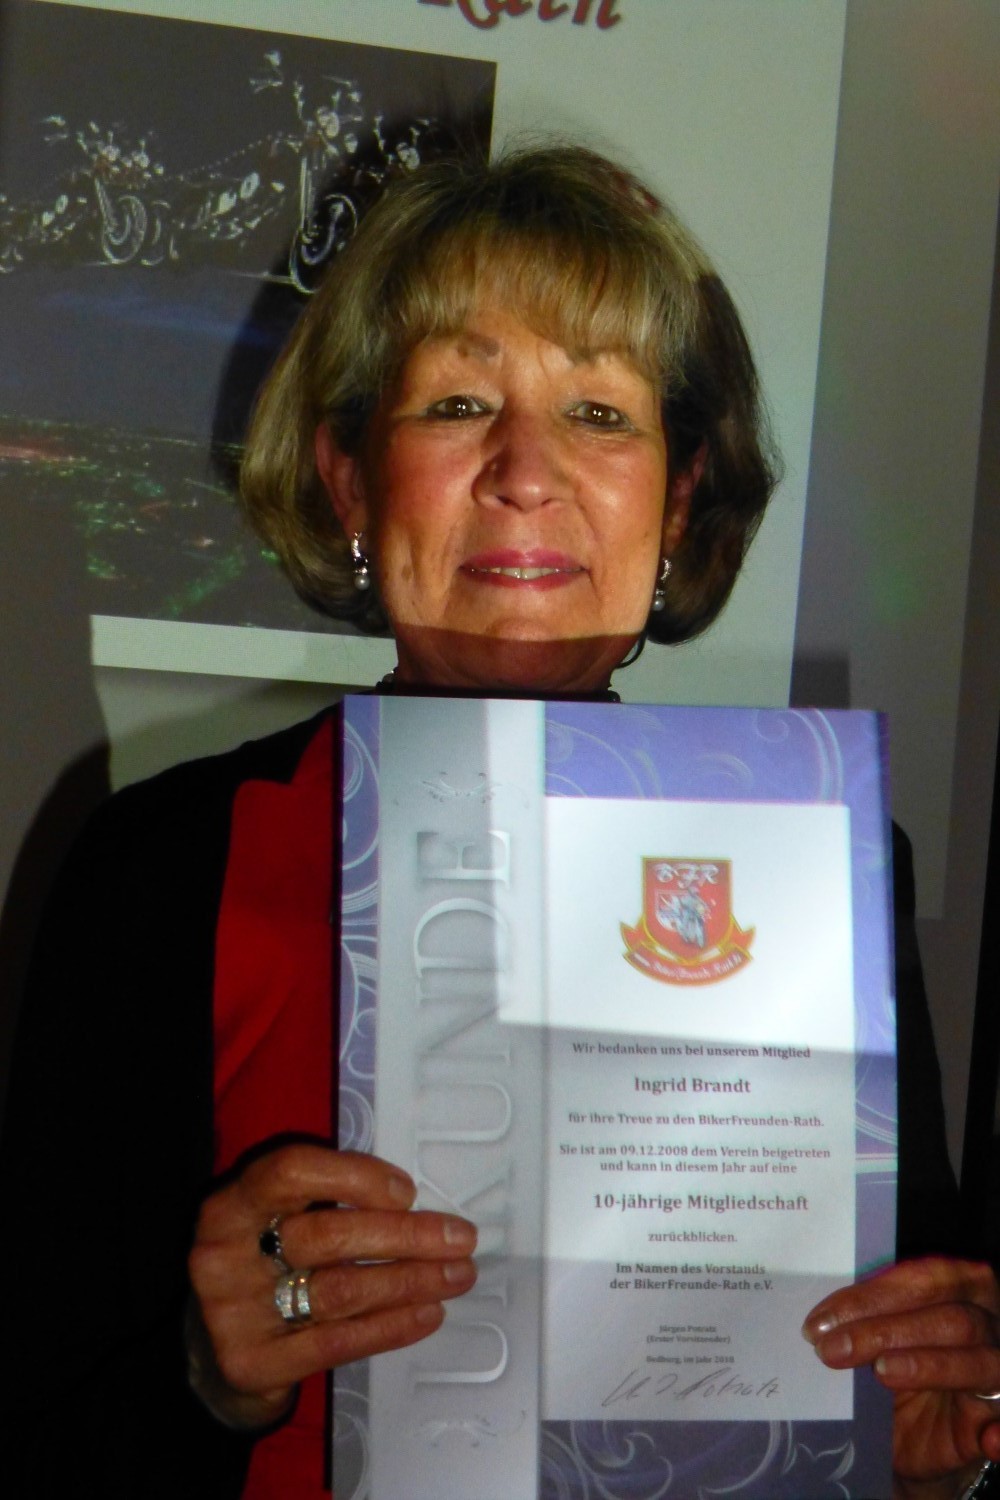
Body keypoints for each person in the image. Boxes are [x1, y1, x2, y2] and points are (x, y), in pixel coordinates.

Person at [2, 145, 997, 1500]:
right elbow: (39, 1431)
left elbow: (888, 1397)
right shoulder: (158, 868)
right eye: (459, 403)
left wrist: (926, 1451)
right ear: (351, 482)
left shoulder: (828, 863)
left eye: (599, 413)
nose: (526, 472)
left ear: (678, 498)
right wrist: (203, 1377)